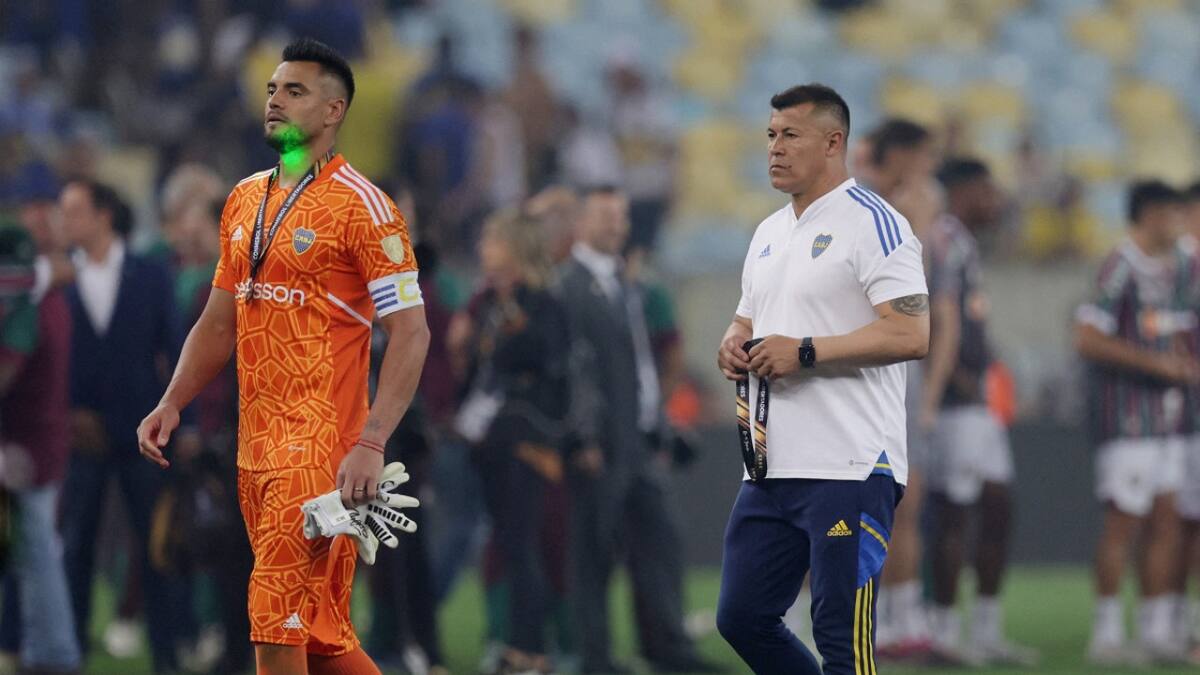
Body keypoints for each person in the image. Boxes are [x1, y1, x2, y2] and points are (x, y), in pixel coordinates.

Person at [135, 38, 430, 675]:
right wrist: (172, 402)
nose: (274, 100)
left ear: (333, 110)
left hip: (323, 449)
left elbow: (412, 332)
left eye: (293, 91)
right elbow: (219, 322)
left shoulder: (366, 208)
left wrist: (373, 441)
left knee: (272, 623)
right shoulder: (243, 199)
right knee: (321, 643)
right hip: (255, 447)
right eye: (272, 88)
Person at [714, 83, 929, 675]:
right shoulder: (768, 233)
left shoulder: (878, 225)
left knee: (842, 640)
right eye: (770, 135)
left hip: (849, 465)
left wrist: (804, 352)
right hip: (770, 464)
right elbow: (747, 319)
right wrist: (732, 345)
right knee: (741, 617)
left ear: (834, 143)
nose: (775, 149)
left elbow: (911, 334)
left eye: (791, 135)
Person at [558, 185, 717, 674]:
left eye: (621, 217)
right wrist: (582, 436)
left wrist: (660, 417)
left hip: (641, 437)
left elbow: (648, 359)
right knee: (594, 553)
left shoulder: (630, 283)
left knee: (660, 543)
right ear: (581, 223)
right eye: (606, 217)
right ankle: (595, 657)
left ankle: (668, 647)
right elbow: (571, 370)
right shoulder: (568, 285)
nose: (617, 226)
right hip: (602, 440)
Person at [56, 179, 182, 673]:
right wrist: (65, 413)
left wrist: (182, 421)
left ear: (104, 214)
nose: (66, 224)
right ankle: (71, 651)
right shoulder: (63, 277)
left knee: (155, 548)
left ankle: (167, 653)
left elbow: (174, 348)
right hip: (80, 433)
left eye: (74, 212)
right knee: (75, 548)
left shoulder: (149, 274)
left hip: (142, 431)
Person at [1076, 181, 1199, 666]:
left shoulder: (1184, 265)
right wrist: (1155, 364)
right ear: (1147, 215)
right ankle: (1105, 633)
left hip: (1171, 421)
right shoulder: (1120, 265)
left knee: (1167, 523)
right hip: (1127, 419)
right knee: (1122, 525)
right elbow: (1087, 337)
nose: (1178, 221)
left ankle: (1156, 628)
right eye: (1170, 212)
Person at [922, 158, 1037, 665]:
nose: (996, 201)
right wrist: (952, 381)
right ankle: (943, 630)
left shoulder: (963, 242)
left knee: (997, 507)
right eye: (987, 191)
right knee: (954, 513)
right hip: (955, 404)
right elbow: (930, 315)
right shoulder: (942, 238)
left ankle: (985, 628)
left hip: (978, 403)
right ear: (964, 191)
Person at [450, 209, 570, 674]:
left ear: (515, 249)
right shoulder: (485, 304)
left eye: (492, 241)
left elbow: (548, 358)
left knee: (523, 545)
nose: (483, 250)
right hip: (488, 439)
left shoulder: (542, 302)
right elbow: (479, 372)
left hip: (526, 437)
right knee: (508, 542)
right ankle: (516, 645)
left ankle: (531, 651)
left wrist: (500, 341)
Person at [854, 119, 942, 660]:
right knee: (845, 499)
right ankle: (808, 611)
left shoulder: (909, 207)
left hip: (898, 374)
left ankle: (901, 616)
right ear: (904, 157)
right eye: (924, 156)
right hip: (861, 372)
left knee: (905, 497)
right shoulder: (864, 210)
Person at [0, 203, 81, 674]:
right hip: (40, 444)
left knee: (37, 558)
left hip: (24, 450)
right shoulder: (48, 300)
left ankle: (52, 654)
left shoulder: (28, 312)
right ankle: (48, 652)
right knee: (38, 557)